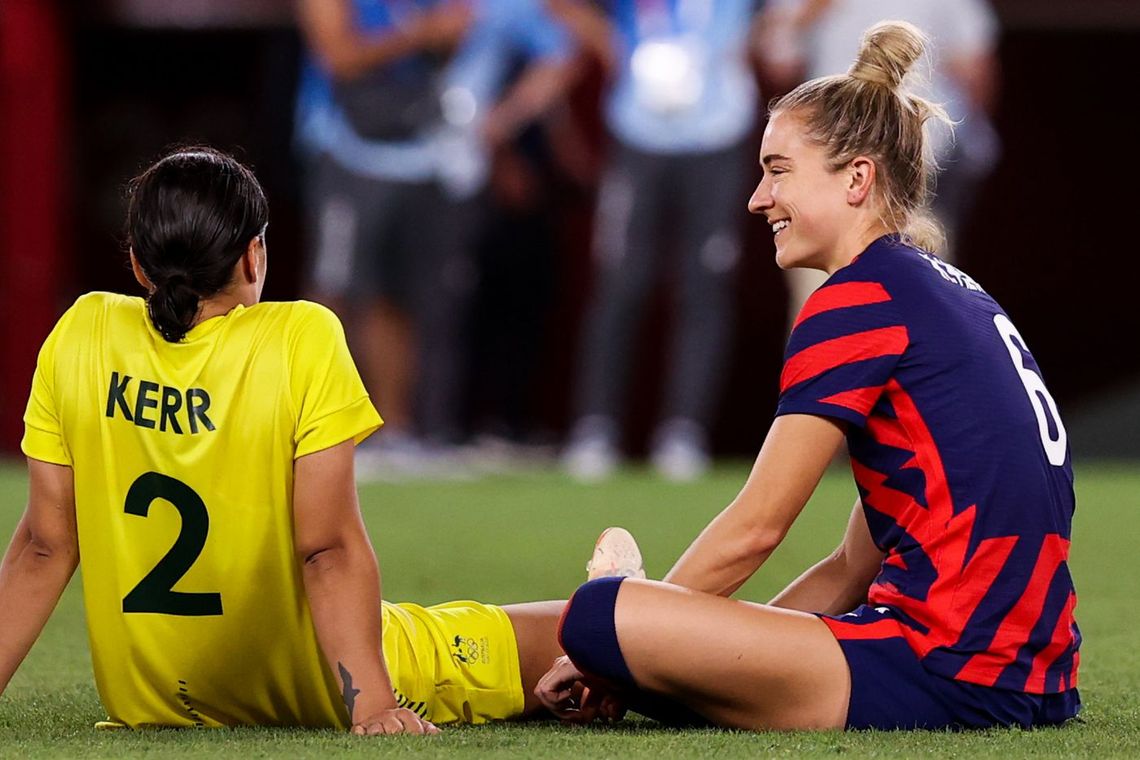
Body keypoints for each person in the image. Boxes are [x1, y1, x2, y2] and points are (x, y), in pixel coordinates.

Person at [537, 22, 1080, 731]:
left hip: (943, 667)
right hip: (1031, 678)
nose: (759, 199)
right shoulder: (949, 293)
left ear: (857, 177)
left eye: (778, 170)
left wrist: (629, 637)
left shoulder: (858, 300)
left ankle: (626, 613)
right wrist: (701, 647)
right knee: (646, 630)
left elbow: (756, 528)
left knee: (595, 616)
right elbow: (850, 567)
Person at [0, 147, 565, 733]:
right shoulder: (301, 336)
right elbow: (327, 548)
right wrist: (374, 705)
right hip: (317, 681)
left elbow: (44, 546)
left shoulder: (82, 333)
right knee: (597, 626)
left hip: (157, 701)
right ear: (253, 255)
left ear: (140, 265)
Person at [295, 0, 573, 471]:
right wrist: (422, 35)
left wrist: (499, 119)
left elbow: (558, 45)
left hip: (424, 156)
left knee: (396, 297)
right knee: (333, 296)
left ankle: (392, 432)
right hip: (347, 151)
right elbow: (337, 56)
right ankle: (304, 431)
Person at [552, 0, 766, 481]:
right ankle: (595, 429)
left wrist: (759, 35)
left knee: (705, 285)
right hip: (638, 135)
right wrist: (607, 42)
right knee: (620, 281)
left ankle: (684, 432)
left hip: (717, 136)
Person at [758, 0, 1001, 332]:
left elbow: (973, 65)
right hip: (826, 169)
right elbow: (779, 63)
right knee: (824, 309)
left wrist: (972, 142)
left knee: (919, 308)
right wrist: (807, 15)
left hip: (918, 168)